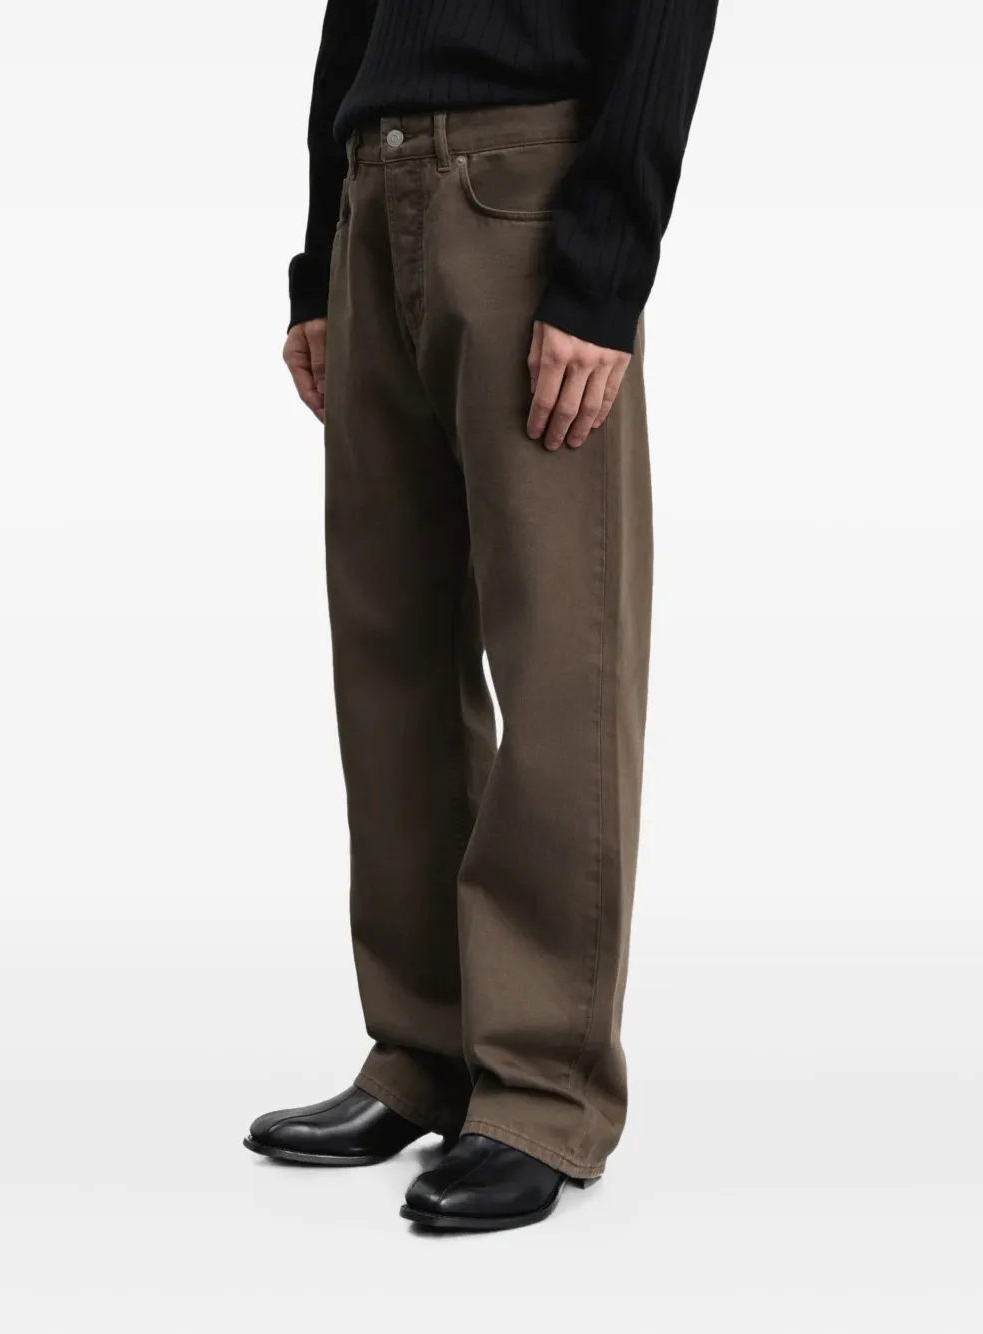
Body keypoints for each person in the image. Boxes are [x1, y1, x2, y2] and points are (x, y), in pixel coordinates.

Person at [244, 0, 717, 1233]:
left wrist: (602, 272)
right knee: (389, 652)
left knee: (561, 655)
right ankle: (423, 1049)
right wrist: (319, 257)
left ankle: (543, 1090)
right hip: (377, 183)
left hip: (526, 190)